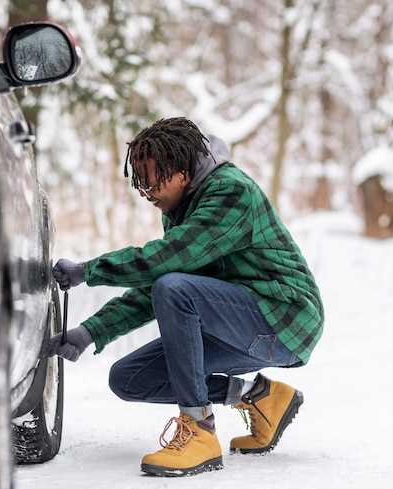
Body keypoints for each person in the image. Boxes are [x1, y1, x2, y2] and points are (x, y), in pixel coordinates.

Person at [49, 117, 324, 477]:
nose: (147, 193)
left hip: (284, 318)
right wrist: (91, 332)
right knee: (130, 378)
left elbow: (168, 264)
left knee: (175, 288)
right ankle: (261, 397)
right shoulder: (183, 207)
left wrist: (89, 271)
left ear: (181, 172)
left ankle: (199, 432)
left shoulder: (231, 193)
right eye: (140, 185)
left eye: (151, 182)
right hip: (240, 324)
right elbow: (158, 282)